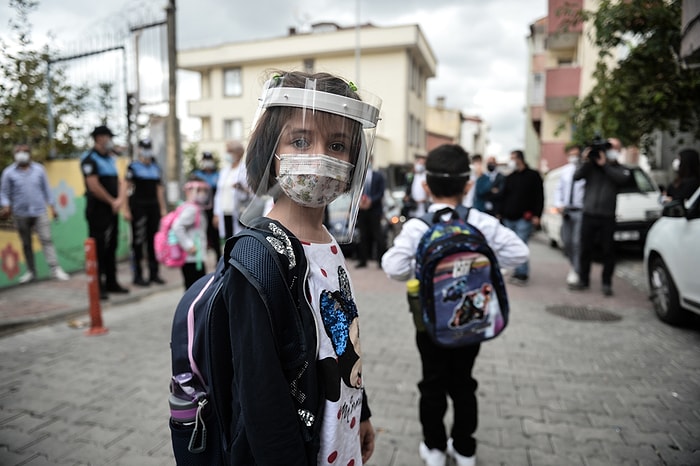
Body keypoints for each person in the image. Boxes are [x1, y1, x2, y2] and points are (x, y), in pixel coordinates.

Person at [224, 70, 380, 464]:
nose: (321, 156)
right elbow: (261, 396)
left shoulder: (329, 242)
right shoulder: (259, 258)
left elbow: (342, 340)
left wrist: (362, 413)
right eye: (299, 140)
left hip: (339, 442)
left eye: (338, 145)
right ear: (269, 153)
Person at [381, 144, 529, 466]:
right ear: (468, 185)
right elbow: (519, 253)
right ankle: (464, 449)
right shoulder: (481, 223)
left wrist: (420, 266)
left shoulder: (418, 228)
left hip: (430, 324)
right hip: (472, 320)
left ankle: (434, 449)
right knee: (464, 383)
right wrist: (482, 268)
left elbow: (392, 267)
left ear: (425, 185)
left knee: (431, 382)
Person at [570, 137, 632, 296]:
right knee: (585, 249)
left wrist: (605, 165)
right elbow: (576, 176)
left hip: (607, 216)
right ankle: (584, 280)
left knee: (608, 251)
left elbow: (623, 179)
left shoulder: (620, 168)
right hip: (589, 214)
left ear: (618, 150)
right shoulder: (591, 167)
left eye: (613, 147)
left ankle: (606, 283)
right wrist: (585, 160)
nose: (610, 150)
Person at [0, 143, 70, 283]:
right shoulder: (8, 173)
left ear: (30, 153)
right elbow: (4, 193)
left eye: (24, 151)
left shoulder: (39, 170)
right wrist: (6, 206)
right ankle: (31, 272)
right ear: (14, 154)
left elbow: (47, 190)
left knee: (46, 239)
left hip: (39, 211)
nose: (21, 154)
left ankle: (55, 269)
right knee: (26, 243)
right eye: (18, 151)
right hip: (20, 213)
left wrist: (53, 207)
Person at [81, 125, 129, 299]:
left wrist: (119, 202)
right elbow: (93, 185)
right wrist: (111, 201)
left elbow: (120, 181)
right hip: (98, 210)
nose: (110, 140)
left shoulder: (111, 158)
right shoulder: (89, 159)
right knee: (98, 248)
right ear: (99, 138)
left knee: (112, 247)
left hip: (113, 210)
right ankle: (98, 286)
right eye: (108, 137)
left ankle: (112, 282)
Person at [123, 139, 167, 287]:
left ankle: (154, 274)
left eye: (149, 147)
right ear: (139, 149)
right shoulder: (133, 167)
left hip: (153, 207)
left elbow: (159, 190)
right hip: (138, 208)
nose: (146, 150)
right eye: (144, 148)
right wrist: (126, 209)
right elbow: (125, 187)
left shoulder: (155, 167)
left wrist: (162, 208)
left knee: (153, 241)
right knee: (138, 242)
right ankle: (138, 275)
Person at [499, 150, 544, 285]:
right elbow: (503, 197)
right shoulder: (510, 177)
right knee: (511, 246)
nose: (511, 161)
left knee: (521, 244)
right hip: (509, 217)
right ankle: (516, 271)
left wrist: (537, 215)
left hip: (524, 218)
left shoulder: (533, 176)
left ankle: (522, 274)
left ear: (520, 159)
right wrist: (500, 213)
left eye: (513, 158)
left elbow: (539, 197)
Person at [553, 144, 585, 286]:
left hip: (580, 210)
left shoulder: (585, 171)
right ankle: (574, 265)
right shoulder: (565, 171)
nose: (573, 157)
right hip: (566, 211)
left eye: (576, 154)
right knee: (566, 241)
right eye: (571, 154)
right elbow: (559, 190)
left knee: (577, 242)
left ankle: (576, 270)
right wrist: (558, 204)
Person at [172, 176, 210, 290]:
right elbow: (177, 226)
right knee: (195, 290)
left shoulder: (194, 207)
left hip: (195, 257)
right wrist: (189, 246)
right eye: (199, 190)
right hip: (193, 258)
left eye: (204, 190)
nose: (203, 194)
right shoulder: (191, 209)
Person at [213, 140, 250, 240]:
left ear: (238, 153)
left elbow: (251, 194)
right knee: (227, 240)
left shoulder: (245, 171)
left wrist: (241, 188)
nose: (227, 154)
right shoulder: (224, 171)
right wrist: (216, 213)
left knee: (238, 239)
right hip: (224, 212)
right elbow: (219, 194)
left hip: (238, 212)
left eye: (229, 151)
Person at [356, 157, 386, 268]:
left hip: (375, 210)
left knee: (377, 236)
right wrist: (360, 202)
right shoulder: (359, 177)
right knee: (363, 236)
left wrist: (371, 201)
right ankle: (363, 260)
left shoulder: (378, 176)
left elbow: (381, 192)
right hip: (362, 210)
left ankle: (380, 261)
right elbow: (355, 191)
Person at [191, 151, 220, 260]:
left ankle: (218, 259)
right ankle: (201, 259)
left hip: (214, 210)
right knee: (201, 234)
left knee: (215, 235)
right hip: (201, 210)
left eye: (209, 160)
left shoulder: (217, 175)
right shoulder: (197, 175)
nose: (207, 163)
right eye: (205, 160)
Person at [403, 153, 429, 218]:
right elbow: (406, 193)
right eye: (419, 163)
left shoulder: (427, 178)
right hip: (412, 209)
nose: (421, 165)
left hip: (424, 210)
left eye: (423, 163)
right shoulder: (410, 177)